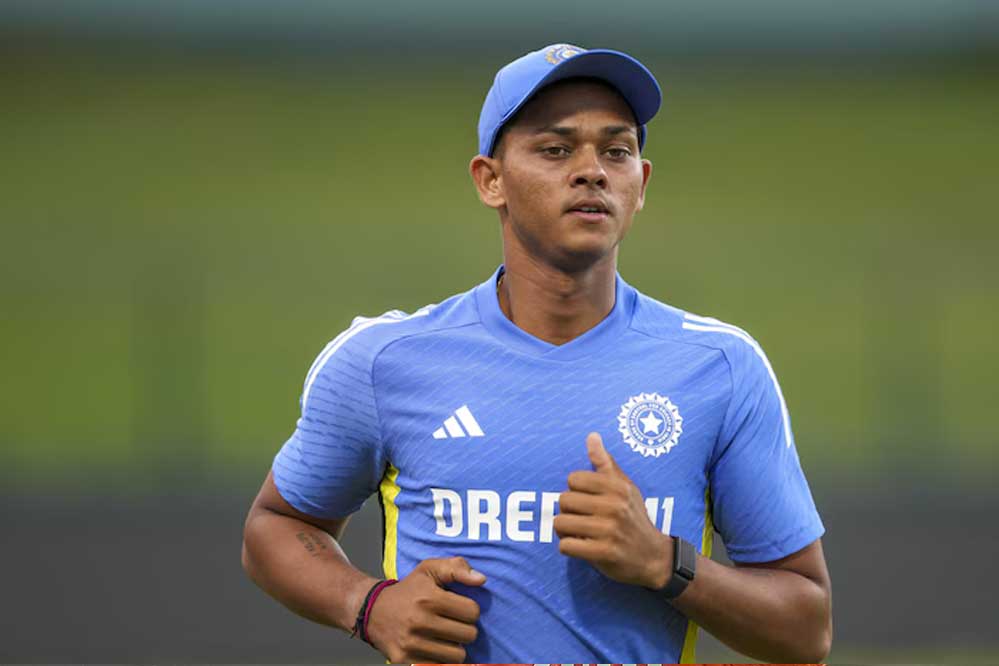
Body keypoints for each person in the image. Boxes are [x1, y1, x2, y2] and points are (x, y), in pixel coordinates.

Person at [241, 43, 832, 664]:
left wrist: (665, 563)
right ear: (490, 180)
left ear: (641, 184)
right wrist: (367, 604)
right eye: (555, 149)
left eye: (616, 151)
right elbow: (275, 526)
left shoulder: (721, 368)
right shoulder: (385, 361)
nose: (592, 171)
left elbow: (806, 630)